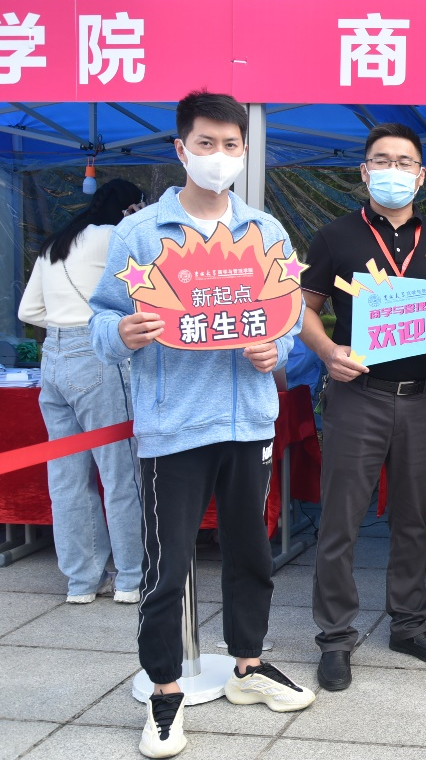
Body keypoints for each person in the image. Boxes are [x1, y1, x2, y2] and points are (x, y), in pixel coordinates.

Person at [89, 91, 314, 759]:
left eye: (231, 145)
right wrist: (122, 332)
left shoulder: (265, 232)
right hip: (173, 427)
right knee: (167, 567)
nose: (219, 156)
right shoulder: (140, 234)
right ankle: (164, 691)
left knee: (251, 553)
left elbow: (286, 317)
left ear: (245, 151)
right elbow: (100, 320)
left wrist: (278, 350)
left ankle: (249, 663)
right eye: (206, 143)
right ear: (180, 150)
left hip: (248, 422)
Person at [300, 123, 426, 692]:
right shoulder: (335, 236)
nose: (393, 170)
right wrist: (327, 351)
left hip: (423, 398)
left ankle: (409, 625)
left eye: (404, 162)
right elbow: (304, 307)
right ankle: (335, 637)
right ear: (365, 170)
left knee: (413, 519)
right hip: (358, 396)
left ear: (420, 176)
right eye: (382, 160)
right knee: (341, 521)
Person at [18, 179, 145, 605]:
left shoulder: (56, 242)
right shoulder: (115, 237)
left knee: (67, 478)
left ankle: (82, 582)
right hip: (96, 352)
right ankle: (130, 578)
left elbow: (28, 310)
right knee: (119, 472)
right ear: (130, 208)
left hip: (53, 357)